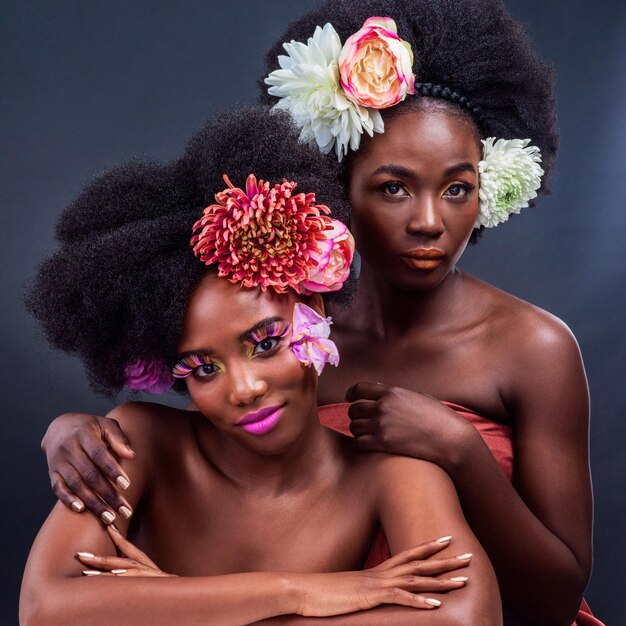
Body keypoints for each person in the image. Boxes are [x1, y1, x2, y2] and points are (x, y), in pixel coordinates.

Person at [37, 1, 602, 625]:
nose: (428, 222)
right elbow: (210, 417)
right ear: (338, 189)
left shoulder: (534, 348)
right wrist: (72, 433)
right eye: (393, 187)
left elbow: (547, 599)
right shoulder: (286, 331)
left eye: (457, 188)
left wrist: (461, 450)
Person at [20, 106, 501, 625]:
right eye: (202, 368)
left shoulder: (393, 473)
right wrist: (299, 593)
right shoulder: (138, 444)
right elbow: (45, 609)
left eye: (266, 342)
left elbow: (468, 617)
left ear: (314, 314)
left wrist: (175, 607)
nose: (244, 388)